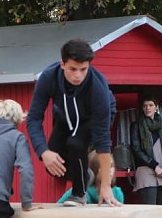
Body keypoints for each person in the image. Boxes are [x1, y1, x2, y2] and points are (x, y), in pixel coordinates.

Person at [26, 39, 121, 207]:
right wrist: (43, 152)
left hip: (93, 117)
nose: (78, 75)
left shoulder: (97, 88)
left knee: (76, 143)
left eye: (83, 69)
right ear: (62, 64)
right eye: (73, 69)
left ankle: (78, 193)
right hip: (66, 115)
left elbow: (103, 141)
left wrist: (106, 185)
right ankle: (85, 175)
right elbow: (33, 119)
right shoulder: (49, 77)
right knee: (54, 163)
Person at [130, 95, 162, 205]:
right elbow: (136, 149)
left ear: (156, 107)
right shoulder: (137, 126)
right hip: (146, 171)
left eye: (151, 105)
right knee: (149, 214)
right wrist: (154, 165)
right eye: (145, 106)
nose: (147, 108)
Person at [57, 151, 125, 205]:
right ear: (93, 168)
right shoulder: (79, 191)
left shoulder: (117, 193)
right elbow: (58, 205)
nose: (109, 170)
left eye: (111, 166)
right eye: (104, 166)